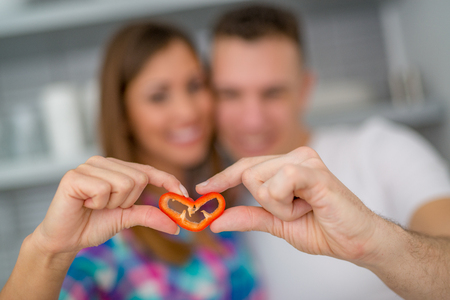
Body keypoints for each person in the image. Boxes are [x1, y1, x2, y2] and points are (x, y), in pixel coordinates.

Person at [197, 3, 450, 299]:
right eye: (230, 94)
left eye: (272, 92)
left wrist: (371, 241)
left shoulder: (383, 150)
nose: (253, 120)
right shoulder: (208, 194)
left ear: (305, 89)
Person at [0, 21, 263, 300]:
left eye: (195, 85)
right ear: (123, 116)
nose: (187, 111)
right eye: (158, 96)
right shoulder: (101, 236)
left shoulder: (226, 202)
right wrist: (48, 251)